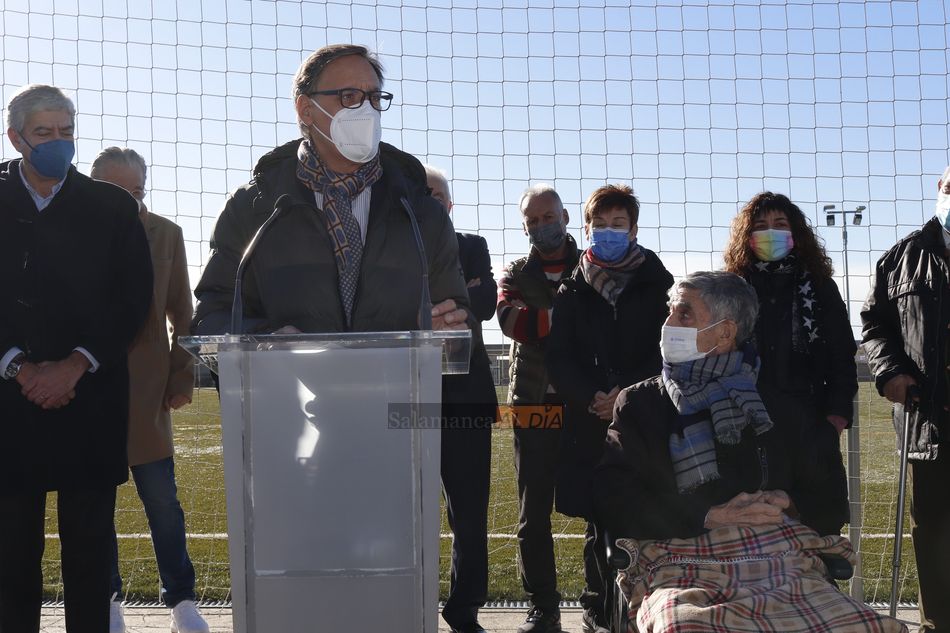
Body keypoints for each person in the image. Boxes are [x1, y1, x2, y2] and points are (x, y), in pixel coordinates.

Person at [593, 272, 901, 633]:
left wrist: (789, 502)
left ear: (725, 334)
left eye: (685, 314)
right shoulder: (641, 404)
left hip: (780, 560)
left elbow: (830, 499)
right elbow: (613, 498)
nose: (668, 324)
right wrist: (708, 515)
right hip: (678, 562)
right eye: (670, 313)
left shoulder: (779, 407)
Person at [0, 84, 153, 633]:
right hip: (8, 409)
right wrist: (18, 365)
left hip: (89, 401)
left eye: (67, 131)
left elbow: (133, 299)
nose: (58, 143)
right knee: (11, 558)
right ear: (16, 137)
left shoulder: (110, 206)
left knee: (89, 554)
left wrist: (75, 364)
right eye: (45, 133)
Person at [192, 44, 470, 335]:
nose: (367, 110)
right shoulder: (254, 209)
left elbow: (461, 316)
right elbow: (212, 315)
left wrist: (447, 329)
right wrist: (264, 341)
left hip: (396, 380)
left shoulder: (420, 211)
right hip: (289, 381)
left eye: (374, 98)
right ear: (306, 109)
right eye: (349, 97)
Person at [90, 147, 209, 633]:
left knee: (162, 501)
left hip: (148, 393)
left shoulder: (167, 234)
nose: (127, 199)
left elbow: (183, 312)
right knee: (95, 506)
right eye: (115, 190)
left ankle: (180, 600)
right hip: (87, 393)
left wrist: (181, 377)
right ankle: (107, 599)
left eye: (135, 190)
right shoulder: (75, 232)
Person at [544, 184, 672, 633]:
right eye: (600, 225)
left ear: (634, 229)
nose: (608, 232)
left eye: (618, 225)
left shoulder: (659, 286)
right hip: (588, 422)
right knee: (597, 525)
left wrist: (625, 394)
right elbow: (558, 357)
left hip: (641, 422)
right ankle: (597, 612)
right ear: (586, 228)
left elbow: (665, 351)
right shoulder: (571, 289)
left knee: (643, 517)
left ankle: (644, 609)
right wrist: (592, 397)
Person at [861, 167, 950, 633]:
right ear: (940, 189)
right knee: (933, 532)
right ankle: (938, 621)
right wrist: (889, 372)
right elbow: (875, 326)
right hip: (928, 421)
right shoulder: (900, 259)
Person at [497, 184, 580, 633]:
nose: (541, 226)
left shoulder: (591, 266)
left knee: (598, 503)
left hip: (586, 404)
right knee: (533, 512)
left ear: (566, 218)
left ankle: (600, 600)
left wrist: (544, 319)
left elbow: (601, 327)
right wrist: (571, 319)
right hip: (531, 404)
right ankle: (543, 607)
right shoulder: (515, 270)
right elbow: (512, 322)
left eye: (548, 217)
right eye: (532, 220)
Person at [425, 165, 497, 633]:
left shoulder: (471, 246)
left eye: (438, 196)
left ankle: (464, 607)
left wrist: (436, 306)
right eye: (423, 195)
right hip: (406, 392)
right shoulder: (388, 252)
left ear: (449, 206)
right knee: (401, 507)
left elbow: (485, 300)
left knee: (469, 512)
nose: (432, 202)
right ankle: (403, 597)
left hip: (466, 397)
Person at [723, 191, 857, 436]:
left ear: (795, 233)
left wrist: (837, 414)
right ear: (748, 236)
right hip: (745, 417)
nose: (770, 233)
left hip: (809, 416)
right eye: (760, 226)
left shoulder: (819, 285)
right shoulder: (731, 288)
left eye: (780, 225)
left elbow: (842, 353)